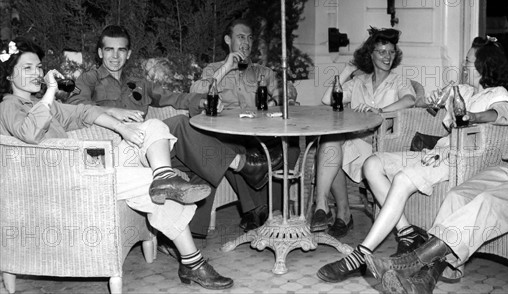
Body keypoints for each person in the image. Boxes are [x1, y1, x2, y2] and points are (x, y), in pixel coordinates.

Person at [364, 30, 508, 294]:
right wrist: (475, 117)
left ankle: (413, 262)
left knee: (489, 202)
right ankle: (425, 281)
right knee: (458, 195)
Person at [0, 38, 233, 290]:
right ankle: (193, 263)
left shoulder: (44, 105)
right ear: (9, 77)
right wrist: (49, 92)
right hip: (67, 184)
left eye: (38, 67)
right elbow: (30, 132)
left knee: (153, 127)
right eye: (27, 68)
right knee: (150, 183)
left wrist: (122, 126)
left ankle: (165, 176)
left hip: (87, 171)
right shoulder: (8, 106)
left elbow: (84, 113)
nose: (37, 73)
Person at [316, 35, 508, 283]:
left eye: (469, 62)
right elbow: (428, 106)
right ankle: (407, 233)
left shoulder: (498, 94)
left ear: (485, 66)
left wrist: (471, 116)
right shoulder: (464, 90)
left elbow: (500, 115)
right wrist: (435, 100)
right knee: (372, 164)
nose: (463, 66)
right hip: (436, 152)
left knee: (401, 178)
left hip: (459, 159)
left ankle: (360, 255)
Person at [68, 25, 275, 238]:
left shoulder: (138, 84)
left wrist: (200, 100)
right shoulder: (88, 79)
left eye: (121, 50)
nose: (115, 56)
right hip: (119, 152)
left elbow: (173, 97)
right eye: (109, 50)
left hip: (150, 149)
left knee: (199, 157)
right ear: (100, 52)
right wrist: (112, 110)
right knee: (179, 123)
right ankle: (244, 165)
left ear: (128, 54)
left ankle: (186, 231)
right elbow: (75, 105)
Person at [190, 18, 298, 231]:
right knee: (226, 148)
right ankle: (258, 210)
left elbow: (288, 92)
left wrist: (275, 100)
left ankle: (266, 210)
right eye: (241, 37)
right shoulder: (213, 69)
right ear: (228, 40)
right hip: (229, 135)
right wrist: (225, 69)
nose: (246, 43)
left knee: (291, 145)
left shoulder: (263, 72)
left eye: (249, 38)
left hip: (261, 134)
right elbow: (196, 92)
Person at [312, 27, 416, 238]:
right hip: (357, 142)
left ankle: (341, 214)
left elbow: (410, 100)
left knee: (329, 149)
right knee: (330, 144)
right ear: (371, 54)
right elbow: (327, 99)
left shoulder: (399, 81)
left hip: (383, 146)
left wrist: (379, 111)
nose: (387, 57)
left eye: (391, 52)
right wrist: (347, 71)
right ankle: (323, 206)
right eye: (382, 51)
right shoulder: (359, 82)